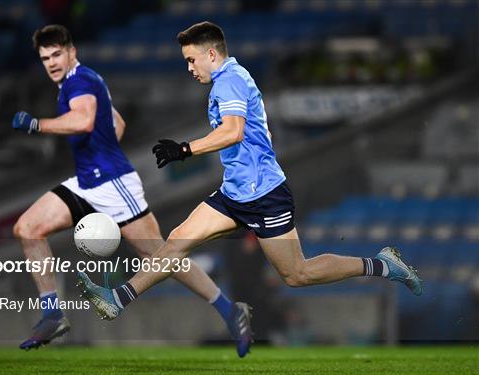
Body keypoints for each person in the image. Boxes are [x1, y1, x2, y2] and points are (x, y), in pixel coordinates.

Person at [77, 21, 422, 344]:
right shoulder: (226, 80)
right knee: (176, 242)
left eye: (191, 59)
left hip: (265, 194)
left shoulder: (231, 79)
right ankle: (117, 300)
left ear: (211, 54)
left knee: (297, 274)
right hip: (235, 193)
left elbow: (233, 131)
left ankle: (382, 264)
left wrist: (185, 149)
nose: (189, 68)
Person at [11, 24, 252, 356]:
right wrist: (102, 146)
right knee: (27, 228)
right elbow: (117, 123)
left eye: (56, 55)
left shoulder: (80, 81)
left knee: (162, 257)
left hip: (113, 185)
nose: (51, 63)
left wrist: (37, 124)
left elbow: (82, 121)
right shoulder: (83, 80)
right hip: (87, 181)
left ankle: (229, 310)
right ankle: (52, 314)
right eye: (45, 58)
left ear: (72, 53)